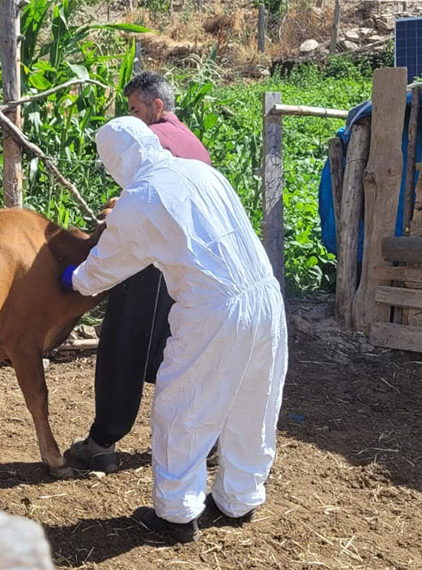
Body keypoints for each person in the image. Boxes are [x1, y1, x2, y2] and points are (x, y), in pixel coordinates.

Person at [61, 116, 288, 543]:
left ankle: (176, 516)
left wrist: (72, 279)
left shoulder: (141, 197)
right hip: (265, 296)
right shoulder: (201, 171)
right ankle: (239, 499)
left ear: (115, 161)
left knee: (184, 408)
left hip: (213, 308)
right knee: (252, 402)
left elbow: (104, 269)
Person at [65, 71, 213, 474]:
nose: (132, 118)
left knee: (122, 347)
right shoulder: (193, 143)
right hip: (189, 270)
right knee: (176, 348)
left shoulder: (156, 141)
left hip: (147, 265)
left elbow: (144, 202)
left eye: (135, 109)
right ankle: (209, 438)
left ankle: (102, 442)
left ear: (157, 106)